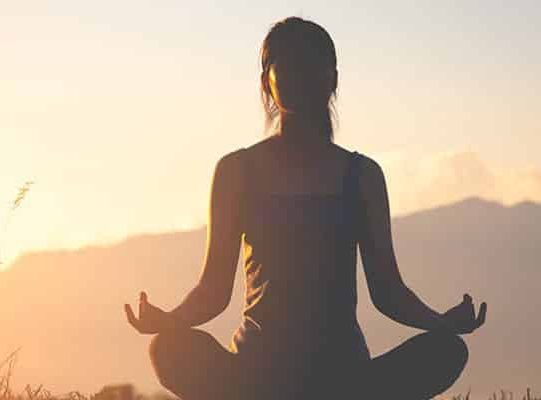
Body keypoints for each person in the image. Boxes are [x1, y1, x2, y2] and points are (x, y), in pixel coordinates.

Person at [124, 16, 487, 400]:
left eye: (311, 63)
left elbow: (387, 290)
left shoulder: (361, 175)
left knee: (446, 351)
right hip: (255, 376)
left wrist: (441, 322)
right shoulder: (236, 172)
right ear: (267, 81)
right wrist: (169, 320)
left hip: (343, 377)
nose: (300, 74)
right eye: (288, 64)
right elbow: (214, 290)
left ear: (332, 78)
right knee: (167, 348)